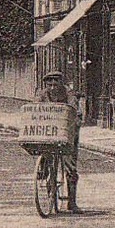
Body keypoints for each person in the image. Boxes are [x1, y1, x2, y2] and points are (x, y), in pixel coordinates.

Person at [37, 70, 81, 213]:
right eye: (50, 85)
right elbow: (36, 108)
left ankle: (72, 202)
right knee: (46, 157)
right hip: (49, 134)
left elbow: (74, 109)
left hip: (66, 134)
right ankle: (47, 181)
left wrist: (75, 117)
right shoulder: (43, 95)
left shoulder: (69, 94)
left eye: (56, 84)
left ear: (61, 84)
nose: (53, 88)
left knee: (70, 166)